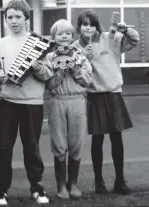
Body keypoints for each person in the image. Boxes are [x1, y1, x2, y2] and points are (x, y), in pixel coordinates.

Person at [0, 0, 53, 205]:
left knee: (32, 147)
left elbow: (49, 74)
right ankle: (0, 190)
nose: (14, 21)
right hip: (6, 102)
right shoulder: (1, 43)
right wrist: (1, 74)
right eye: (10, 17)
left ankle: (36, 186)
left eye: (18, 17)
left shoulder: (38, 44)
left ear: (26, 18)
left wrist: (38, 67)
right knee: (3, 147)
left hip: (32, 102)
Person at [73, 10, 139, 195]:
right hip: (94, 95)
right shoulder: (76, 46)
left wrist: (126, 30)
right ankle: (99, 182)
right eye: (85, 24)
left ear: (97, 26)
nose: (88, 28)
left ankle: (120, 181)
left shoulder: (109, 38)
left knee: (116, 138)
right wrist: (83, 58)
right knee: (97, 140)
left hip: (113, 93)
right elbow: (75, 71)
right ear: (79, 27)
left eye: (92, 24)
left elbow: (133, 41)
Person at [45, 19, 92, 199]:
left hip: (77, 101)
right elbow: (48, 84)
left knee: (77, 142)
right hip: (57, 101)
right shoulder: (49, 57)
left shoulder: (80, 55)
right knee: (59, 143)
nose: (64, 37)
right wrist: (60, 73)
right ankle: (61, 186)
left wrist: (76, 70)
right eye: (60, 34)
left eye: (68, 34)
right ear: (54, 37)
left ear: (72, 36)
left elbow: (87, 80)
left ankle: (73, 184)